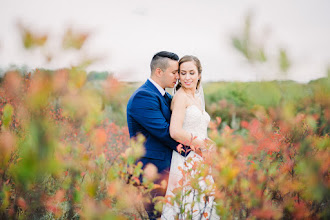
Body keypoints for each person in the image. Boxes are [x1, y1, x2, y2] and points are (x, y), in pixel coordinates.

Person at [126, 51, 191, 219]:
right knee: (159, 216)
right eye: (174, 72)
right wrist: (193, 151)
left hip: (170, 167)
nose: (177, 76)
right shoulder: (144, 96)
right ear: (159, 72)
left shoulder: (165, 95)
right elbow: (164, 131)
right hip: (153, 171)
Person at [161, 55, 220, 219]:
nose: (187, 78)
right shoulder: (180, 97)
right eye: (183, 73)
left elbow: (199, 129)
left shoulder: (197, 97)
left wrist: (210, 143)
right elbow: (175, 131)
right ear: (178, 75)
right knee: (188, 203)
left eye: (191, 73)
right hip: (186, 158)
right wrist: (201, 144)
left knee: (202, 203)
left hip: (200, 157)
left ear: (199, 74)